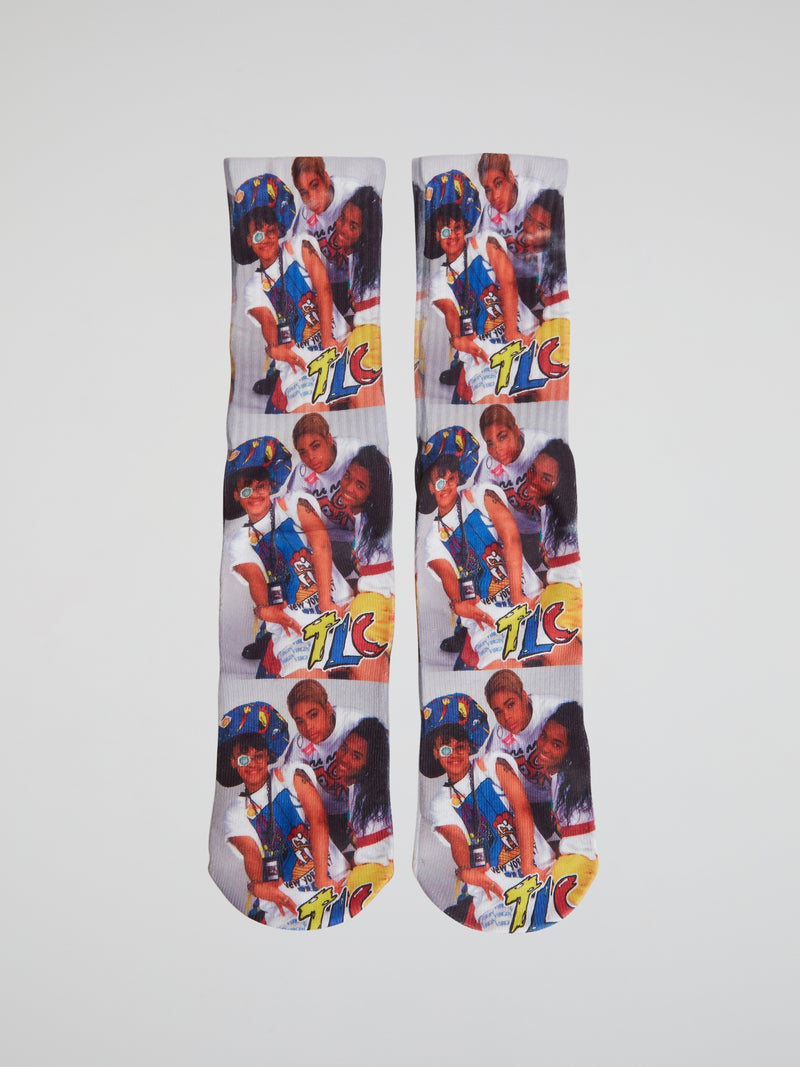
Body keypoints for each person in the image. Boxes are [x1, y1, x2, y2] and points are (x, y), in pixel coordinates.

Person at [419, 693, 553, 931]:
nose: (455, 754)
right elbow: (458, 841)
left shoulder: (494, 763)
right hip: (494, 895)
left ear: (470, 746)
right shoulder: (440, 803)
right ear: (436, 752)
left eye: (461, 747)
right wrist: (468, 872)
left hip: (539, 868)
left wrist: (528, 867)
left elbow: (522, 809)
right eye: (446, 749)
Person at [224, 437, 352, 679]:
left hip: (337, 606)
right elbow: (255, 578)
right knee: (311, 680)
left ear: (270, 486)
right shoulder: (240, 541)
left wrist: (326, 602)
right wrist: (265, 611)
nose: (255, 495)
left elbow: (321, 545)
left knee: (367, 672)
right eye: (246, 490)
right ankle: (270, 647)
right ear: (236, 495)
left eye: (261, 487)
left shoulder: (295, 502)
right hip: (294, 627)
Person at [217, 701, 348, 930]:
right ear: (233, 762)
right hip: (287, 907)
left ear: (269, 754)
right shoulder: (235, 813)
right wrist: (258, 885)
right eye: (244, 758)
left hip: (334, 881)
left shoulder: (292, 774)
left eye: (259, 756)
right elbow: (251, 852)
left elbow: (318, 821)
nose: (252, 764)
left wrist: (322, 878)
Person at [418, 427, 540, 670]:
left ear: (458, 477)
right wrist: (458, 603)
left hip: (527, 597)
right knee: (503, 669)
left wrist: (518, 595)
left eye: (451, 479)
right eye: (439, 482)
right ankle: (467, 646)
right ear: (430, 487)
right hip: (488, 621)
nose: (446, 486)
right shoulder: (433, 538)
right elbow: (447, 575)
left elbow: (511, 538)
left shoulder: (481, 494)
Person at [230, 172, 347, 413]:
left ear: (279, 228)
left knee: (363, 398)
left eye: (271, 231)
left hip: (337, 342)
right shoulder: (254, 287)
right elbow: (267, 323)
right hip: (300, 365)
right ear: (249, 240)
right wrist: (275, 348)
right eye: (258, 235)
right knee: (311, 413)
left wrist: (327, 339)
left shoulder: (300, 245)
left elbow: (324, 289)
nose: (266, 239)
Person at [423, 170, 535, 404]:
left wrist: (512, 333)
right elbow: (450, 312)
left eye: (457, 228)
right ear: (436, 235)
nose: (452, 235)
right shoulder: (439, 279)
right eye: (445, 231)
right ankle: (465, 380)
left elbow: (508, 282)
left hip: (521, 332)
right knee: (497, 403)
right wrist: (458, 339)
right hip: (484, 353)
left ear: (465, 227)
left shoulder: (484, 242)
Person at [519, 438, 582, 664]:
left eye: (546, 478)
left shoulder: (566, 516)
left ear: (560, 484)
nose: (534, 480)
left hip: (567, 593)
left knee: (543, 650)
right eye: (533, 471)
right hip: (558, 590)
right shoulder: (548, 509)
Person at [282, 680, 363, 852]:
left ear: (327, 708)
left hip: (363, 803)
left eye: (313, 715)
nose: (308, 727)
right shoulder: (299, 746)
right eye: (300, 721)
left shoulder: (354, 722)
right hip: (330, 814)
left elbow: (388, 749)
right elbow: (285, 789)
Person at [532, 702, 598, 908]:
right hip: (573, 860)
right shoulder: (558, 778)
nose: (544, 747)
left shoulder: (573, 785)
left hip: (580, 864)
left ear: (571, 751)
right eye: (544, 736)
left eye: (556, 744)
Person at [483, 669, 562, 837]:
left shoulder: (553, 709)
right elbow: (488, 781)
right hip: (534, 802)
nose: (506, 717)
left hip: (564, 790)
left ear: (524, 697)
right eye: (498, 711)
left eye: (510, 705)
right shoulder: (499, 737)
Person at [339, 444, 394, 681]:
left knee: (362, 664)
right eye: (347, 476)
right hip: (374, 597)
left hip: (380, 600)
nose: (349, 487)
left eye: (360, 485)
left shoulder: (383, 520)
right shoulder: (362, 517)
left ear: (374, 492)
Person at [283, 413, 363, 578]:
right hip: (337, 538)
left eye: (316, 446)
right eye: (303, 452)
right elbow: (290, 519)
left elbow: (387, 480)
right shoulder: (302, 475)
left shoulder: (354, 451)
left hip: (368, 531)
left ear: (329, 439)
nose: (310, 457)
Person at [473, 405, 550, 569]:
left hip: (553, 518)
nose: (498, 449)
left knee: (561, 564)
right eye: (490, 443)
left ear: (515, 430)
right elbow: (476, 507)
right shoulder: (488, 467)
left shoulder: (542, 444)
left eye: (502, 437)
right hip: (526, 526)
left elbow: (566, 489)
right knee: (526, 569)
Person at [289, 157, 360, 316]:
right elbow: (295, 259)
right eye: (304, 192)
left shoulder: (351, 192)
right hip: (334, 282)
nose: (311, 198)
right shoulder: (305, 216)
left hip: (361, 275)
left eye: (315, 186)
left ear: (326, 178)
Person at [477, 152, 545, 313]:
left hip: (545, 277)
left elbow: (557, 243)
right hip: (518, 281)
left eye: (499, 183)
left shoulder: (536, 194)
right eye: (488, 189)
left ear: (510, 177)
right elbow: (484, 260)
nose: (495, 196)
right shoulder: (489, 213)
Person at [335, 718, 394, 905]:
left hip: (378, 871)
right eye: (344, 748)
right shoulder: (358, 788)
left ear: (369, 764)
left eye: (356, 756)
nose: (344, 758)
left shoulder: (374, 795)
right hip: (371, 867)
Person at [516, 188, 569, 321]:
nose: (530, 228)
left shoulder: (556, 268)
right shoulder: (530, 253)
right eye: (529, 218)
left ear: (554, 233)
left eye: (541, 227)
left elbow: (556, 316)